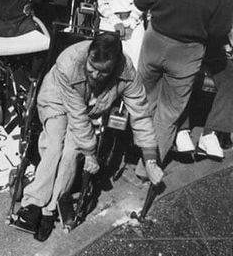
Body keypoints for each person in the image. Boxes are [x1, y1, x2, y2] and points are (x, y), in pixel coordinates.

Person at [13, 34, 163, 241]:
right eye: (92, 66)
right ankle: (33, 202)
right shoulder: (69, 62)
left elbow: (141, 114)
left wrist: (151, 160)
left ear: (116, 64)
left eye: (104, 71)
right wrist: (91, 154)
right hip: (57, 97)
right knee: (55, 143)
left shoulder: (127, 72)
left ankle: (49, 209)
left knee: (71, 152)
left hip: (89, 108)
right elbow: (76, 114)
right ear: (89, 55)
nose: (95, 74)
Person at [134, 0, 233, 163]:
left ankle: (131, 148)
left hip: (154, 42)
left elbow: (140, 0)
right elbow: (219, 31)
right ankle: (147, 168)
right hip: (187, 54)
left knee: (143, 101)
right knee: (168, 115)